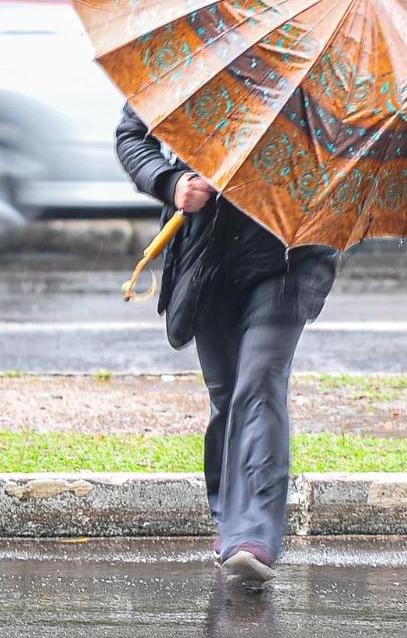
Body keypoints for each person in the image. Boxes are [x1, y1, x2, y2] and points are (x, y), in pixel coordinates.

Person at [115, 103, 338, 584]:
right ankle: (228, 516)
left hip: (290, 255)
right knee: (228, 397)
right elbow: (133, 133)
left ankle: (252, 535)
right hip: (206, 256)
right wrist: (171, 182)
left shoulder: (323, 67)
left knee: (258, 384)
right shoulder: (195, 45)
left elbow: (344, 147)